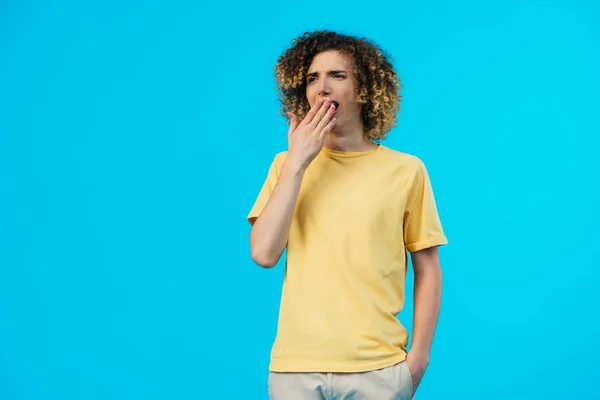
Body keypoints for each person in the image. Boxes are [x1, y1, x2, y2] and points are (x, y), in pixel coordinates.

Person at [247, 30, 448, 400]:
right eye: (312, 78)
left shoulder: (406, 171)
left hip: (379, 369)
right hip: (295, 368)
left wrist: (418, 360)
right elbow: (263, 253)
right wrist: (297, 163)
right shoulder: (285, 166)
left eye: (337, 75)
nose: (321, 87)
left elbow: (428, 268)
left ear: (365, 88)